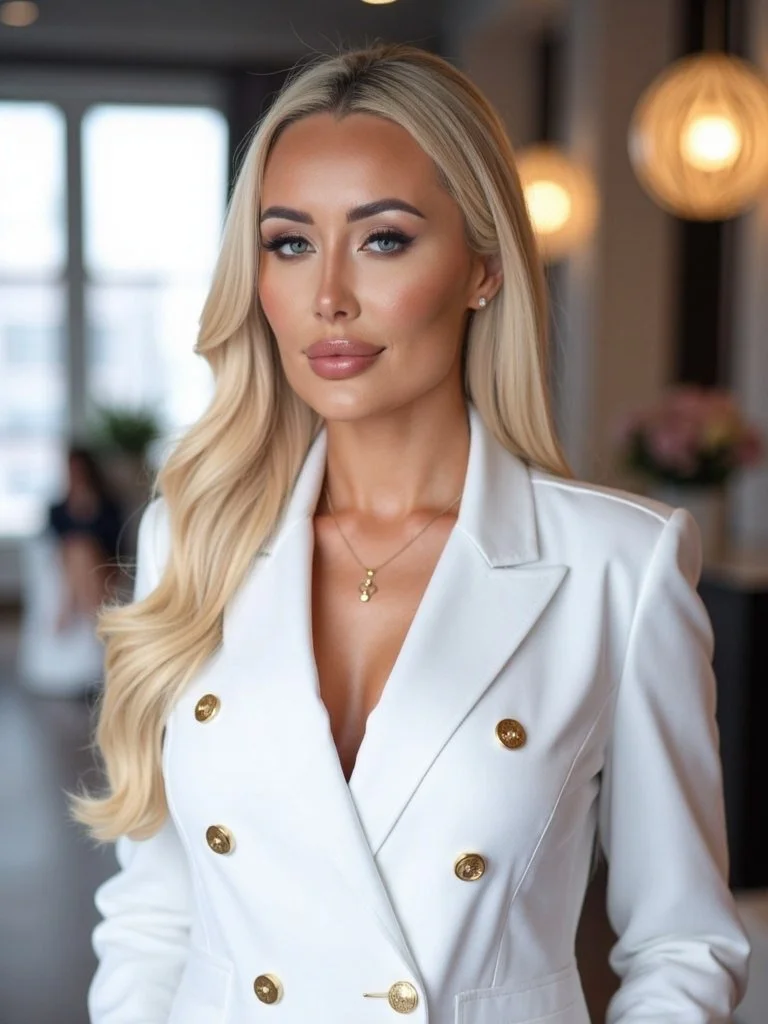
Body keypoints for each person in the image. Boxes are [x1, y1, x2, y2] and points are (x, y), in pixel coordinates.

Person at [74, 44, 750, 1023]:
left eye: (383, 239)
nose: (328, 295)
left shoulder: (618, 565)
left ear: (483, 266)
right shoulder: (196, 539)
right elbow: (153, 916)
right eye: (289, 244)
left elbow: (681, 944)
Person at [48, 446, 123, 632]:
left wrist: (89, 511)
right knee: (78, 548)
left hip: (101, 562)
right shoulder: (57, 509)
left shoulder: (107, 506)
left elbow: (114, 539)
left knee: (82, 549)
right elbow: (56, 539)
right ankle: (94, 616)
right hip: (69, 561)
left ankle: (68, 607)